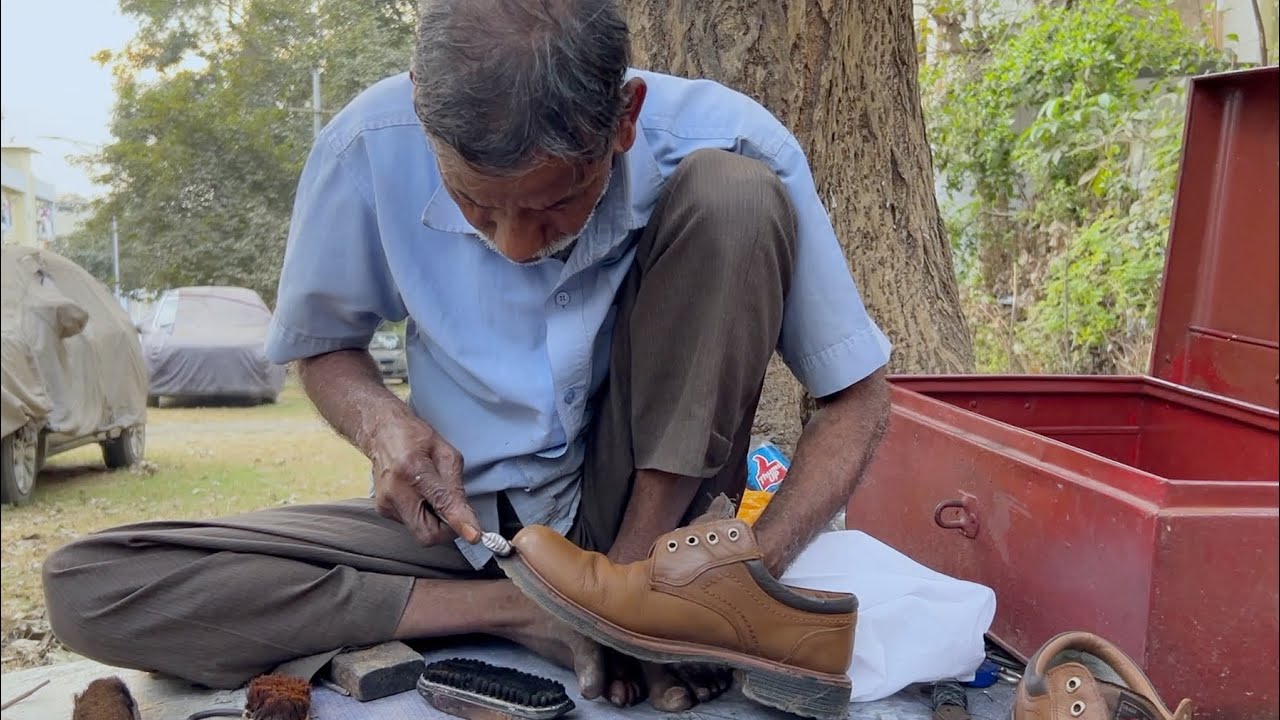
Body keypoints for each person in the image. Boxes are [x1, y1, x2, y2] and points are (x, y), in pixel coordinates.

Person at [41, 0, 893, 712]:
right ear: (420, 108)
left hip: (657, 526)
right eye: (477, 206)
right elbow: (325, 349)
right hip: (469, 530)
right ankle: (528, 616)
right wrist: (383, 424)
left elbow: (856, 399)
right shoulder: (366, 146)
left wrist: (750, 580)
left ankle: (637, 602)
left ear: (625, 118)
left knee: (733, 199)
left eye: (559, 203)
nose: (519, 247)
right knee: (93, 581)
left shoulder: (736, 139)